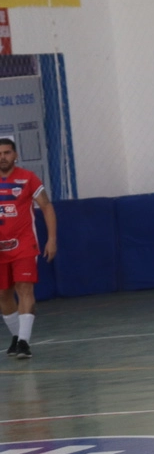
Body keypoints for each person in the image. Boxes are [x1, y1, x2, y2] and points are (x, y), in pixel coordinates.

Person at [0, 138, 56, 359]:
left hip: (24, 244)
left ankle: (24, 342)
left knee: (24, 288)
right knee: (4, 295)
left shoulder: (28, 178)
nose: (2, 157)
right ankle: (17, 337)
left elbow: (47, 206)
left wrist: (52, 239)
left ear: (15, 155)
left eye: (6, 152)